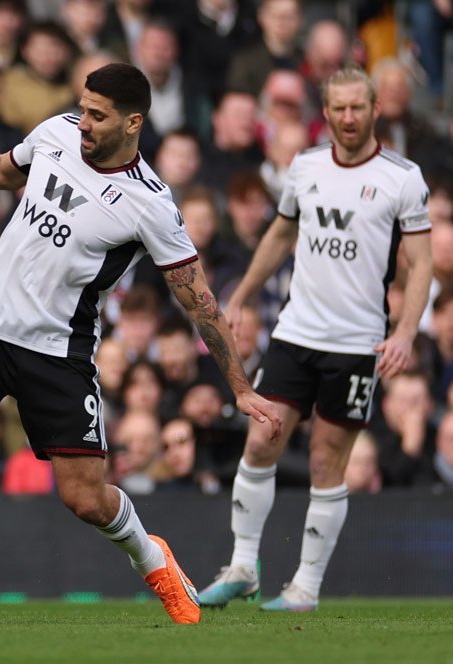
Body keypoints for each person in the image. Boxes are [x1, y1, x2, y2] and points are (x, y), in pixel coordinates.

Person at [0, 62, 282, 626]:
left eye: (98, 116)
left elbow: (200, 302)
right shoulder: (56, 133)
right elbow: (1, 171)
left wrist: (240, 387)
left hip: (58, 352)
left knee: (86, 500)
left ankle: (156, 560)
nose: (84, 124)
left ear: (133, 122)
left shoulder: (151, 204)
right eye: (84, 108)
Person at [197, 65, 433, 612]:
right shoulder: (303, 167)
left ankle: (304, 587)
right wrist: (243, 293)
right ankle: (242, 567)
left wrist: (403, 331)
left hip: (356, 344)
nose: (348, 117)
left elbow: (420, 265)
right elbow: (282, 232)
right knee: (261, 440)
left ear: (375, 109)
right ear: (324, 114)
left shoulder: (403, 177)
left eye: (358, 107)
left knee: (329, 459)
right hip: (296, 332)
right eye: (338, 108)